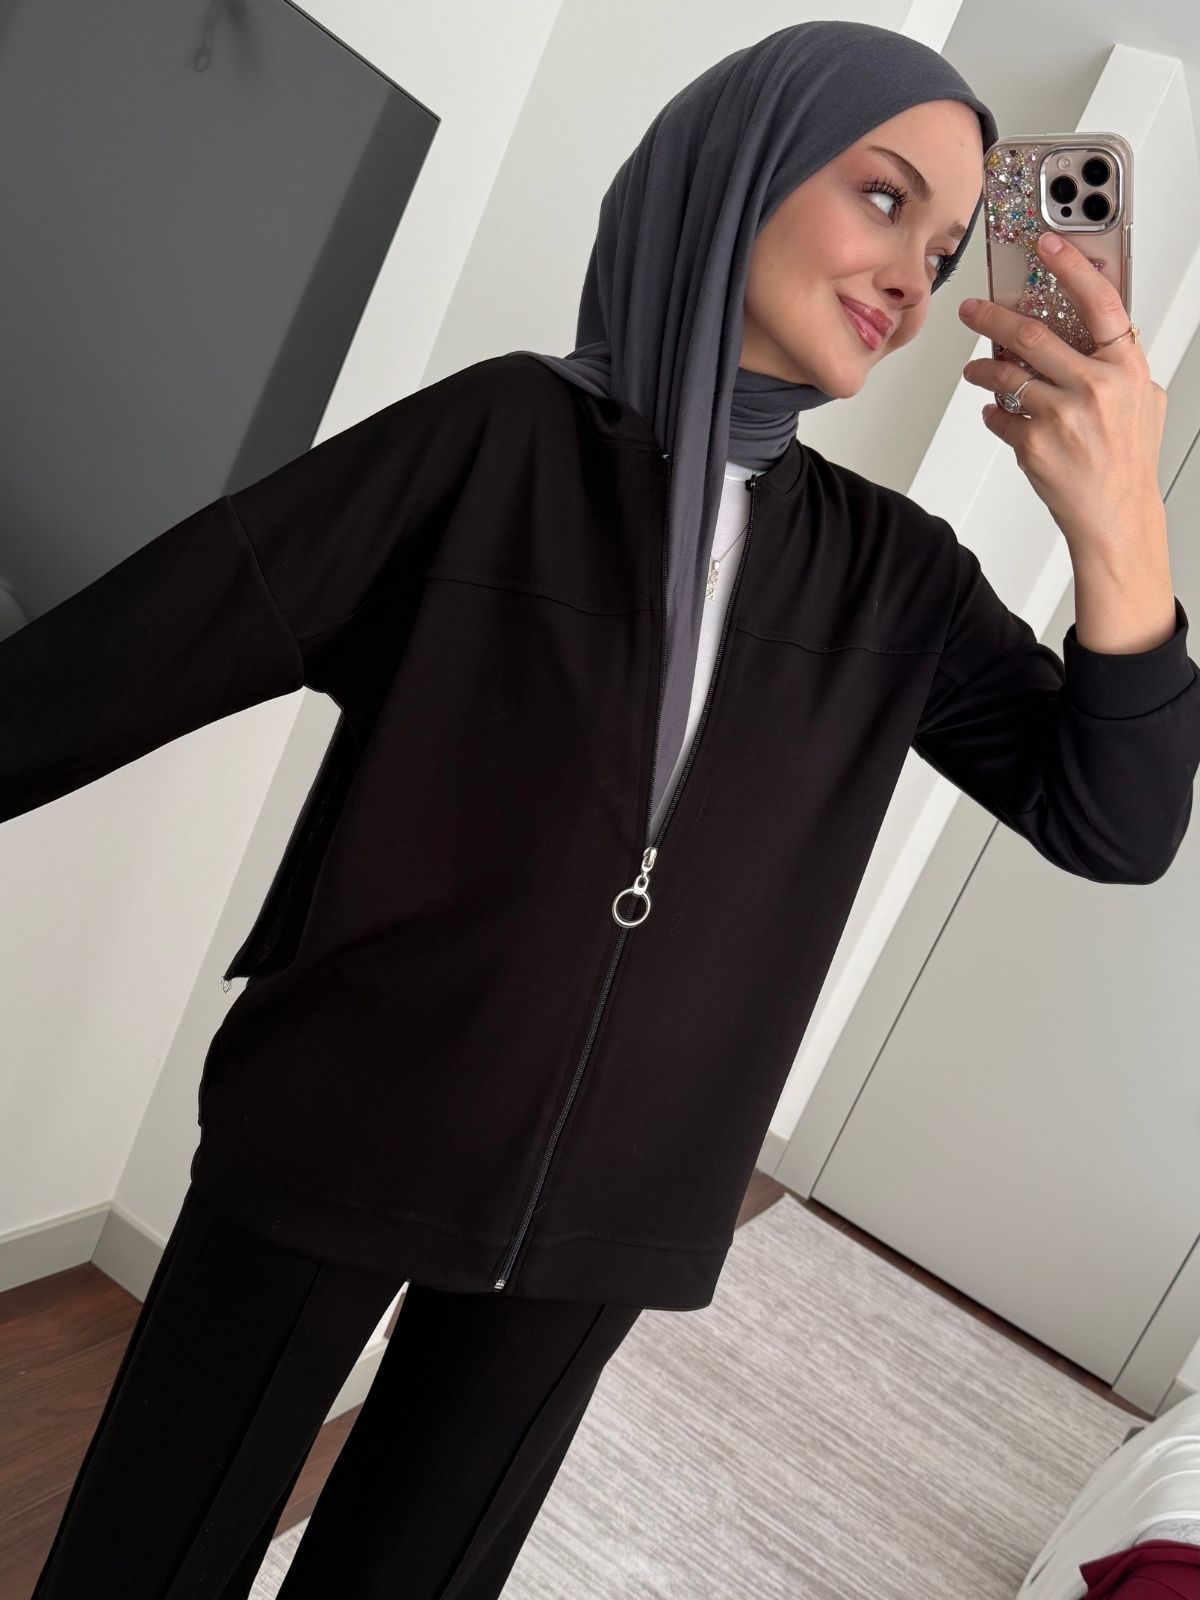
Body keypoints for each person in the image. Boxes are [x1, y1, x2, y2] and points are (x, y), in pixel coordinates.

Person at [10, 20, 1198, 1600]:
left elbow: (1114, 822)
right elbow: (130, 655)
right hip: (342, 1123)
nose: (913, 278)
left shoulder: (896, 575)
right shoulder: (496, 438)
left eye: (943, 247)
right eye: (882, 196)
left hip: (624, 1197)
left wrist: (1119, 531)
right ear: (741, 170)